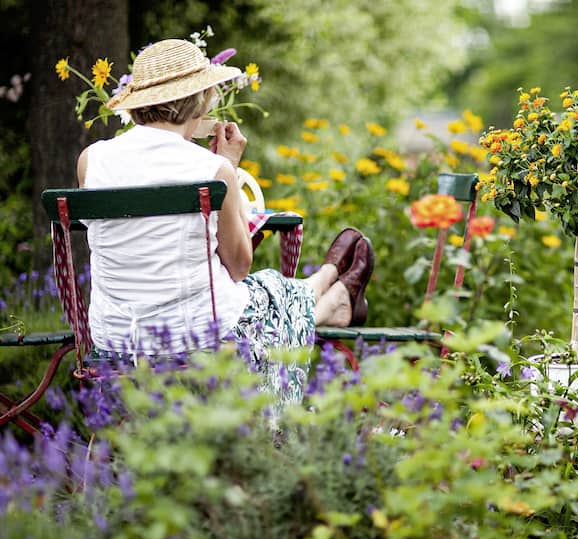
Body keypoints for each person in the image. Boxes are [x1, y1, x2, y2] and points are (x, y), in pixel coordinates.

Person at [75, 38, 373, 414]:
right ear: (201, 101)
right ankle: (329, 295)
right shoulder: (211, 170)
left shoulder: (92, 159)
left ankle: (330, 292)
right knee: (265, 286)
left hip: (115, 338)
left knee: (263, 291)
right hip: (196, 335)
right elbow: (237, 267)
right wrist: (228, 168)